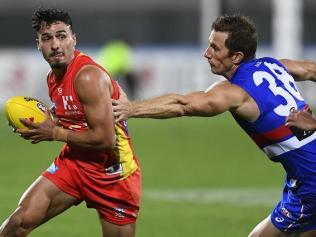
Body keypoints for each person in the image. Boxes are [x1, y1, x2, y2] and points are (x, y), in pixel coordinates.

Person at [112, 14, 316, 237]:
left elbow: (183, 104)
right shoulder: (275, 65)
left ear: (236, 56)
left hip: (310, 182)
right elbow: (312, 69)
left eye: (215, 48)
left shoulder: (236, 92)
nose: (206, 53)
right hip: (302, 177)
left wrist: (131, 109)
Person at [0, 8, 141, 237]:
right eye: (47, 38)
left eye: (61, 36)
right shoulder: (53, 77)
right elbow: (72, 116)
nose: (55, 45)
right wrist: (41, 123)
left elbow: (106, 139)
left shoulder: (87, 76)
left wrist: (54, 132)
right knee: (19, 222)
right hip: (75, 163)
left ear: (73, 39)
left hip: (113, 175)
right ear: (38, 44)